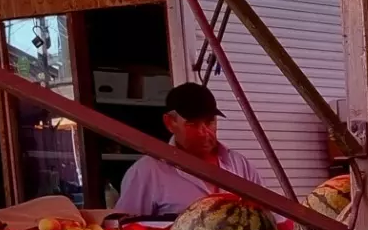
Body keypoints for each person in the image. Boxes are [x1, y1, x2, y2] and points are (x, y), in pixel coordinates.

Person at [112, 83, 264, 217]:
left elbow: (269, 216)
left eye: (209, 122)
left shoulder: (241, 165)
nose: (203, 132)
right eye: (192, 124)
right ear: (170, 122)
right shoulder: (146, 172)